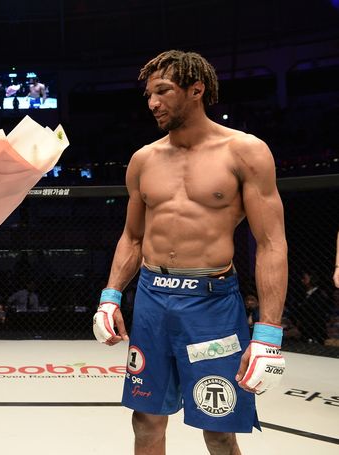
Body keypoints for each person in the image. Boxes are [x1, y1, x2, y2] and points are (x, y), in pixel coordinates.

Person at [92, 50, 288, 454]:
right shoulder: (143, 159)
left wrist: (268, 333)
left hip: (211, 304)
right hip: (152, 299)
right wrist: (110, 297)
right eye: (149, 94)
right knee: (145, 421)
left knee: (219, 429)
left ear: (196, 90)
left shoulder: (245, 152)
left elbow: (271, 243)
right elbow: (132, 237)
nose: (152, 103)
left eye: (163, 91)